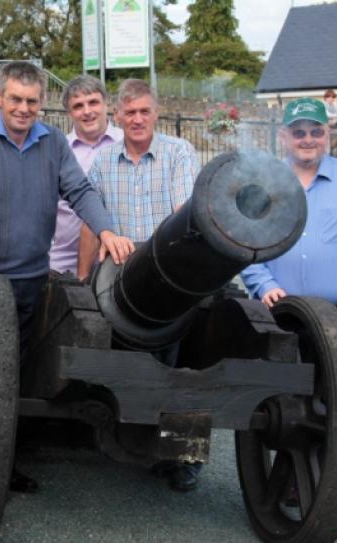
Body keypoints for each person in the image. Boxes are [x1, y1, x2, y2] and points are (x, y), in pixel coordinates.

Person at [0, 62, 132, 491]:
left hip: (33, 279)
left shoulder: (52, 144)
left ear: (42, 104)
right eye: (16, 99)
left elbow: (81, 191)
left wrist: (106, 230)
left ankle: (9, 458)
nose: (24, 109)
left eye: (32, 102)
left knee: (22, 373)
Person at [241, 97, 337, 541]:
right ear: (284, 137)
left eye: (315, 130)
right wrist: (260, 280)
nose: (307, 139)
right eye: (298, 131)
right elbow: (243, 236)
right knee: (291, 404)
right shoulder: (266, 184)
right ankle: (293, 482)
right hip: (286, 314)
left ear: (328, 135)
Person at [79, 78, 202, 492]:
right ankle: (121, 428)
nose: (136, 119)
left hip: (169, 280)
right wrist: (81, 282)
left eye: (144, 111)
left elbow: (186, 214)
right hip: (117, 282)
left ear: (156, 112)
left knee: (186, 369)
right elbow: (91, 223)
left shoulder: (179, 154)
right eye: (129, 112)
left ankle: (182, 459)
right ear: (118, 116)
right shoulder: (102, 162)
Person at [49, 74, 123, 277]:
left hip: (118, 256)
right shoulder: (57, 151)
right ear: (69, 112)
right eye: (78, 106)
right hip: (64, 259)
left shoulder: (126, 144)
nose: (87, 111)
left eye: (93, 102)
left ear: (106, 103)